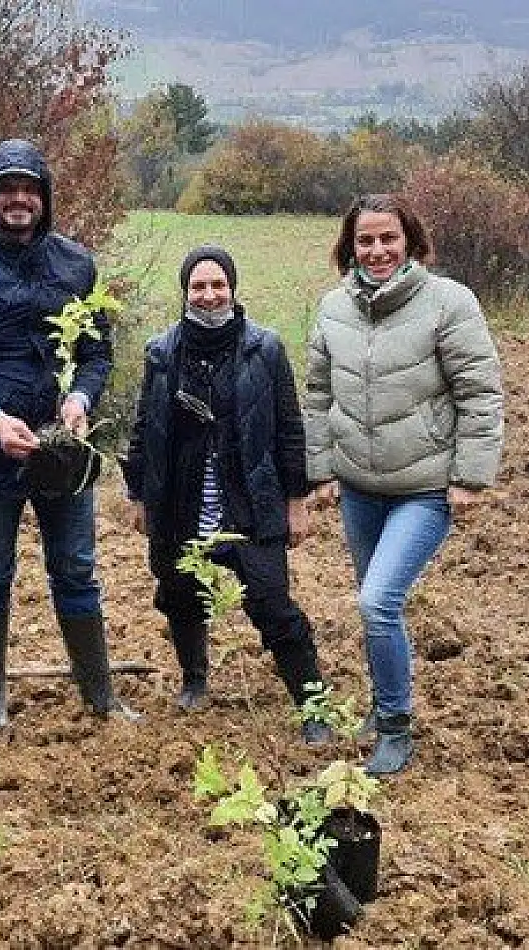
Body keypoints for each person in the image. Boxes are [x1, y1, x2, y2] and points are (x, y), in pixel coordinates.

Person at [0, 138, 137, 729]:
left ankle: (100, 695)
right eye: (6, 189)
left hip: (62, 452)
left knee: (75, 566)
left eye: (29, 189)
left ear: (44, 198)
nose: (18, 199)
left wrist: (81, 397)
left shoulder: (76, 266)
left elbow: (96, 354)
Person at [305, 194, 504, 775]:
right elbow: (317, 395)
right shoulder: (332, 308)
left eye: (388, 238)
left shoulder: (448, 303)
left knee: (377, 600)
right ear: (350, 249)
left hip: (424, 486)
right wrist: (321, 470)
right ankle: (380, 703)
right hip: (360, 487)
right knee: (375, 605)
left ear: (411, 242)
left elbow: (480, 393)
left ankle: (395, 726)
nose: (377, 250)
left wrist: (471, 476)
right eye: (365, 241)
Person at [122, 245, 333, 745]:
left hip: (251, 502)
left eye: (218, 285)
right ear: (185, 292)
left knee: (272, 604)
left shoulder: (266, 348)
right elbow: (143, 430)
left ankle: (313, 705)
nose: (210, 294)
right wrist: (139, 498)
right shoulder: (161, 352)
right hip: (181, 503)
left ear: (233, 289)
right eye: (199, 286)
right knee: (180, 595)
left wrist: (296, 501)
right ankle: (194, 680)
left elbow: (288, 428)